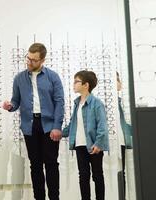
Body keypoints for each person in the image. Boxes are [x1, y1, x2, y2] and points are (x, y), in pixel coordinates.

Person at [2, 43, 64, 200]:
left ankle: (54, 198)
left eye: (34, 60)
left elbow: (59, 102)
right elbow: (16, 101)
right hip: (29, 126)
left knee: (51, 163)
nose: (29, 62)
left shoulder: (53, 77)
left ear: (42, 60)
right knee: (35, 165)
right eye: (28, 58)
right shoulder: (19, 78)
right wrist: (10, 106)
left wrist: (57, 126)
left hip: (49, 126)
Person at [62, 70, 109, 200]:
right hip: (80, 145)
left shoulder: (96, 103)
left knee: (97, 175)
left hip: (94, 145)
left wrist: (99, 143)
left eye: (76, 81)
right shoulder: (77, 104)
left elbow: (102, 126)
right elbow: (73, 125)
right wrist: (60, 133)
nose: (73, 84)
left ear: (85, 85)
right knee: (83, 176)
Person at [116, 72, 133, 199]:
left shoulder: (122, 102)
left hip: (122, 141)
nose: (119, 82)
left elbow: (126, 124)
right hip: (112, 142)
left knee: (122, 173)